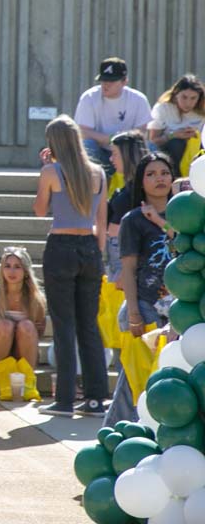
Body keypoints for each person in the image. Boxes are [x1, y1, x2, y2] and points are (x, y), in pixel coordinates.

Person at [34, 115, 109, 417]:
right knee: (88, 326)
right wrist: (97, 253)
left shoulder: (51, 171)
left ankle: (64, 399)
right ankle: (94, 398)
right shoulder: (98, 172)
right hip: (90, 247)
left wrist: (45, 169)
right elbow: (101, 219)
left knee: (64, 325)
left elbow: (40, 210)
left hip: (61, 247)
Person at [105, 152, 177, 426]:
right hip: (144, 307)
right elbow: (129, 270)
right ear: (141, 182)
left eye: (164, 173)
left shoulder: (185, 215)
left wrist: (161, 222)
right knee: (133, 380)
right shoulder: (132, 220)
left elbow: (184, 244)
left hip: (177, 309)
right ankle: (113, 434)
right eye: (151, 174)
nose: (159, 179)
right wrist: (133, 311)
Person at [0, 246, 47, 394]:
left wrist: (19, 330)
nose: (11, 272)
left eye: (17, 267)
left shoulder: (35, 297)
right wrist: (8, 329)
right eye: (7, 266)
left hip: (23, 348)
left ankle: (27, 379)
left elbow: (39, 331)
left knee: (27, 326)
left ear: (26, 271)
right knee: (5, 326)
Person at [73, 57, 152, 172]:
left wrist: (120, 145)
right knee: (87, 145)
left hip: (127, 152)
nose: (106, 84)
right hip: (100, 150)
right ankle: (92, 185)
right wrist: (111, 139)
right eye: (104, 80)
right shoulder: (89, 97)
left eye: (112, 81)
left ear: (124, 81)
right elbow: (83, 132)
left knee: (150, 148)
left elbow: (142, 133)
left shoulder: (139, 99)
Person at [105, 130, 149, 280]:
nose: (111, 159)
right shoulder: (127, 186)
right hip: (116, 249)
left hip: (125, 251)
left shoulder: (141, 188)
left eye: (115, 154)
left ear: (127, 155)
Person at [148, 74, 205, 171]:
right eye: (184, 97)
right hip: (169, 154)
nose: (188, 103)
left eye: (193, 98)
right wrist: (173, 135)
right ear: (176, 94)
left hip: (197, 154)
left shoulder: (201, 111)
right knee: (176, 144)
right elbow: (153, 140)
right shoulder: (163, 108)